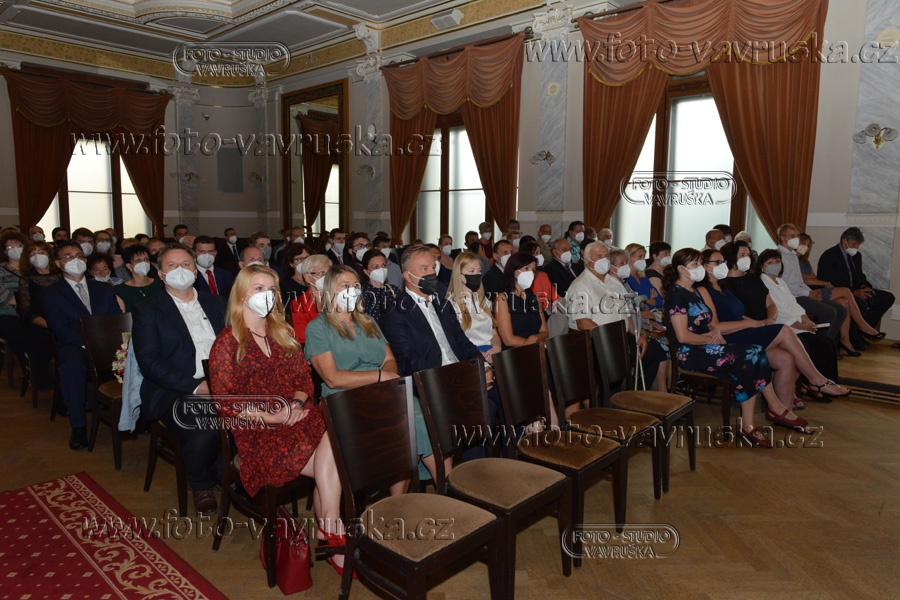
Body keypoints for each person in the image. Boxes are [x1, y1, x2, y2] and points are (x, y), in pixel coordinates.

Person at [209, 264, 348, 573]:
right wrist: (272, 418)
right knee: (335, 460)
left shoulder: (282, 332)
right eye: (259, 289)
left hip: (297, 417)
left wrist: (296, 405)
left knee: (337, 429)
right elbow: (226, 403)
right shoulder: (227, 342)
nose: (267, 295)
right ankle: (333, 531)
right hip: (259, 432)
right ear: (242, 294)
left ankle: (330, 527)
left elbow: (304, 380)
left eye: (272, 289)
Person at [664, 248, 807, 448]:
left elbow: (708, 323)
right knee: (752, 354)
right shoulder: (676, 295)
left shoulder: (694, 292)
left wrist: (716, 334)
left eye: (699, 263)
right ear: (681, 269)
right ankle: (772, 408)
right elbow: (682, 336)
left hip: (708, 345)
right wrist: (709, 339)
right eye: (695, 264)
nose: (699, 268)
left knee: (753, 355)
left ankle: (749, 425)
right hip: (690, 353)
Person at [380, 246, 495, 477]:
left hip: (458, 376)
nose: (432, 273)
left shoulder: (442, 303)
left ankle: (477, 472)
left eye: (433, 267)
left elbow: (463, 343)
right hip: (430, 382)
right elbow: (409, 361)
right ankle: (465, 477)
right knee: (481, 407)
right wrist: (459, 377)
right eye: (424, 269)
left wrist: (483, 366)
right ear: (407, 276)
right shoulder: (395, 312)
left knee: (494, 400)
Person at [132, 243, 226, 515]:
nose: (180, 270)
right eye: (171, 266)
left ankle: (231, 471)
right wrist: (197, 386)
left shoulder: (216, 302)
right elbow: (149, 362)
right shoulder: (148, 309)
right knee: (206, 425)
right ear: (161, 274)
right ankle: (202, 484)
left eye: (186, 264)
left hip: (221, 382)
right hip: (174, 387)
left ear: (195, 271)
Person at [304, 265, 411, 494]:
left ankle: (398, 502)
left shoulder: (368, 321)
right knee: (383, 426)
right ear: (331, 290)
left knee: (415, 418)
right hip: (344, 396)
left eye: (355, 286)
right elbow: (332, 378)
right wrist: (380, 376)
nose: (352, 290)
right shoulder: (318, 328)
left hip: (382, 390)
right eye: (345, 286)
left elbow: (389, 360)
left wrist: (387, 380)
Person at [698, 248, 823, 413]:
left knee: (786, 359)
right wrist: (752, 324)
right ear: (705, 266)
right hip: (727, 339)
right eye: (718, 262)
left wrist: (759, 322)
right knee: (784, 330)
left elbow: (739, 314)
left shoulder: (722, 287)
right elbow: (716, 326)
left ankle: (785, 412)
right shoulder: (704, 290)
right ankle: (816, 379)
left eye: (723, 262)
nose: (723, 265)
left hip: (741, 331)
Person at [43, 242, 121, 450]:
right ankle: (78, 426)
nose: (75, 260)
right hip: (74, 344)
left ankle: (139, 418)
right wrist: (88, 343)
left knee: (139, 356)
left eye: (79, 255)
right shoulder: (51, 293)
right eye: (68, 257)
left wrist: (106, 343)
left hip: (107, 342)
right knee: (72, 367)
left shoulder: (103, 288)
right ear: (58, 263)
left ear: (85, 260)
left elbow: (115, 320)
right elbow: (60, 328)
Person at [567, 243, 666, 390]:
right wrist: (614, 341)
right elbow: (583, 323)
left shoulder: (615, 283)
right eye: (599, 256)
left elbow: (626, 314)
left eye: (606, 256)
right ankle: (609, 397)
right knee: (615, 364)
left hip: (619, 336)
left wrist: (639, 333)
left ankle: (635, 393)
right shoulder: (580, 285)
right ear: (587, 261)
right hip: (594, 341)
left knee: (653, 350)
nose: (604, 259)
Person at [756, 249, 842, 388]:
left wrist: (807, 321)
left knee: (830, 343)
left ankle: (830, 383)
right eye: (770, 262)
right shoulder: (763, 282)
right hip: (786, 327)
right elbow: (779, 311)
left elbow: (794, 304)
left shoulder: (780, 281)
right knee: (820, 346)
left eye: (777, 261)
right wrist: (801, 326)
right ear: (762, 266)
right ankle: (817, 386)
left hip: (799, 324)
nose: (775, 264)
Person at [796, 233, 882, 354]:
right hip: (806, 293)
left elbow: (812, 278)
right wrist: (826, 283)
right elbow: (805, 280)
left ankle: (844, 340)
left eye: (808, 245)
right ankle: (862, 325)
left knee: (843, 302)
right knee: (846, 291)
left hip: (812, 289)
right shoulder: (792, 259)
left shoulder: (805, 262)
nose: (805, 247)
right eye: (803, 244)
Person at [816, 227, 894, 349]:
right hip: (840, 292)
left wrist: (865, 286)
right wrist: (854, 292)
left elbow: (859, 276)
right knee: (861, 304)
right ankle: (855, 339)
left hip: (856, 289)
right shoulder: (829, 256)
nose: (856, 247)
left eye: (858, 245)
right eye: (854, 244)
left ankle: (863, 330)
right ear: (844, 241)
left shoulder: (856, 256)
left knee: (887, 298)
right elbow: (831, 281)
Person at [775, 224, 847, 344]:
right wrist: (808, 294)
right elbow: (785, 285)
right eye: (792, 236)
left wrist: (813, 293)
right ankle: (819, 345)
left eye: (798, 236)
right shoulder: (779, 257)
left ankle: (828, 344)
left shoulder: (793, 255)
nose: (796, 239)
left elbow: (799, 281)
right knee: (829, 312)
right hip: (792, 297)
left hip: (801, 293)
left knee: (841, 310)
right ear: (783, 238)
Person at [15, 240, 59, 389]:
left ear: (49, 255)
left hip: (63, 322)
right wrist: (51, 325)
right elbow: (27, 312)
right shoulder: (25, 280)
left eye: (41, 252)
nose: (38, 256)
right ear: (28, 260)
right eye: (33, 254)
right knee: (44, 342)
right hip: (40, 325)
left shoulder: (62, 277)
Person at [495, 252, 548, 349]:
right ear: (514, 270)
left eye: (533, 270)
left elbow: (544, 332)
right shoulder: (503, 298)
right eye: (526, 268)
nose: (531, 273)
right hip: (516, 351)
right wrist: (532, 345)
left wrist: (535, 338)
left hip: (537, 348)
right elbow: (508, 340)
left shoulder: (533, 297)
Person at [0, 230, 26, 370]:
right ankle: (27, 367)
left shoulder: (32, 268)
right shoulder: (1, 270)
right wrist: (24, 303)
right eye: (10, 247)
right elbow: (3, 296)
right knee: (17, 332)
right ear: (5, 251)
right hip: (8, 313)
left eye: (19, 246)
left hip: (31, 312)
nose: (15, 249)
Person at [288, 254, 329, 342]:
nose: (326, 277)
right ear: (307, 277)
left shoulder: (337, 297)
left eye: (329, 273)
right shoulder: (298, 304)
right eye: (321, 273)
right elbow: (302, 336)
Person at [115, 245, 164, 313]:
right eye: (138, 260)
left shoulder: (160, 284)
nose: (143, 263)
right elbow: (122, 315)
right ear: (129, 266)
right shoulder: (120, 290)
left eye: (146, 259)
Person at [360, 248, 399, 323]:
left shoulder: (394, 290)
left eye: (383, 265)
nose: (381, 269)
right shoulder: (363, 296)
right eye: (375, 267)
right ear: (366, 272)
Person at [519, 240, 557, 311]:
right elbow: (531, 298)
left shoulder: (543, 275)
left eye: (540, 253)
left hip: (549, 309)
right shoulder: (524, 277)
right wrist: (547, 304)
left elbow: (554, 295)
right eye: (536, 253)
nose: (540, 256)